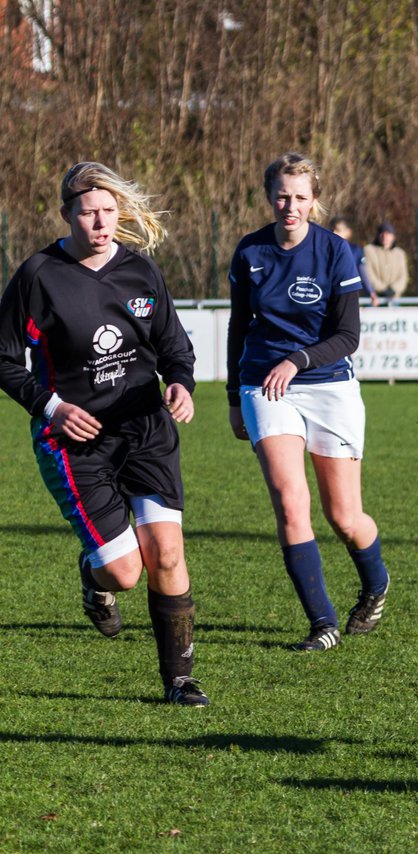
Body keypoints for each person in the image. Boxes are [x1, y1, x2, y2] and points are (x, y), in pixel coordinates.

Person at [0, 162, 208, 706]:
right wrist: (51, 407)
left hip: (145, 429)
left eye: (109, 211)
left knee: (166, 551)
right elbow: (3, 359)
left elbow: (173, 345)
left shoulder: (141, 271)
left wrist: (181, 383)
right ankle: (95, 581)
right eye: (88, 212)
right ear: (67, 214)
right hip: (76, 441)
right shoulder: (38, 275)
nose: (100, 222)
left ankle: (179, 680)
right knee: (123, 570)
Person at [226, 152, 390, 651]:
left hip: (329, 385)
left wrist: (297, 359)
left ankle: (376, 583)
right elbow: (238, 327)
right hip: (264, 385)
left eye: (300, 197)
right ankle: (323, 624)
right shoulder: (249, 252)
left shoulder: (337, 252)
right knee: (291, 504)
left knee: (344, 517)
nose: (290, 206)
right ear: (268, 196)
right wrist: (235, 396)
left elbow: (348, 336)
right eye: (281, 195)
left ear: (314, 200)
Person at [329, 216, 380, 306]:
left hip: (347, 296)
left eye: (338, 230)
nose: (334, 233)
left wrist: (371, 292)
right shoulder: (324, 249)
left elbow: (362, 273)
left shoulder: (355, 250)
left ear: (348, 232)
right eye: (332, 230)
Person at [363, 222, 409, 302]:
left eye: (388, 234)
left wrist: (394, 289)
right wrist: (382, 289)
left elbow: (403, 276)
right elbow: (368, 274)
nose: (384, 236)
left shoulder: (400, 253)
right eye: (382, 233)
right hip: (374, 299)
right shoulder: (368, 250)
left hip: (394, 299)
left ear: (393, 236)